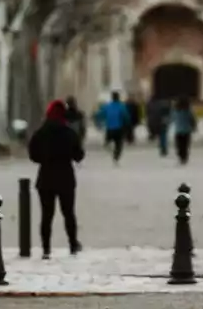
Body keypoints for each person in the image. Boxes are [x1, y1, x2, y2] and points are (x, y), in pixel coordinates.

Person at [28, 99, 85, 258]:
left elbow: (33, 155)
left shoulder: (40, 133)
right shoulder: (69, 133)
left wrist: (45, 159)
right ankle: (73, 244)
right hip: (65, 178)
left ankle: (46, 248)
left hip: (45, 178)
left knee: (46, 215)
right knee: (68, 213)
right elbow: (79, 155)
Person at [97, 91, 131, 163]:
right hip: (119, 128)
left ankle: (109, 147)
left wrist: (99, 122)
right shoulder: (121, 106)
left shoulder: (107, 106)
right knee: (118, 144)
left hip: (109, 128)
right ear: (118, 97)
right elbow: (126, 116)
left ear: (112, 98)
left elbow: (100, 114)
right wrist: (127, 123)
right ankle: (116, 156)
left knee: (107, 141)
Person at [171, 97, 198, 165]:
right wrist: (194, 127)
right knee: (185, 145)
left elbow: (172, 118)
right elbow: (192, 119)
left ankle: (181, 157)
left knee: (179, 145)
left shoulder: (175, 110)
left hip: (178, 131)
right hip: (187, 131)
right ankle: (184, 157)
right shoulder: (188, 111)